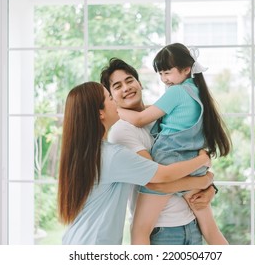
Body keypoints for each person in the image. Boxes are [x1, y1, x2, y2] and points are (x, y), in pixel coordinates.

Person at [57, 81, 211, 245]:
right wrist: (203, 162)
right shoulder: (112, 156)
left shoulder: (85, 154)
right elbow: (163, 175)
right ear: (100, 113)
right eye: (110, 98)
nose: (115, 102)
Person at [117, 43, 232, 245]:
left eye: (167, 72)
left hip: (169, 158)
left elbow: (139, 119)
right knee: (211, 231)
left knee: (139, 231)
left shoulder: (176, 92)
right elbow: (153, 112)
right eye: (160, 74)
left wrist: (111, 110)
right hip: (191, 161)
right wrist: (205, 180)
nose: (164, 79)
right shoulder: (196, 92)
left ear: (186, 69)